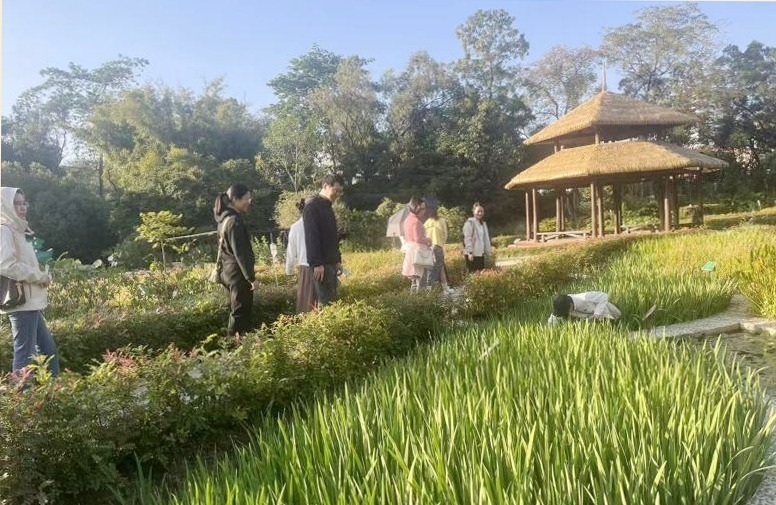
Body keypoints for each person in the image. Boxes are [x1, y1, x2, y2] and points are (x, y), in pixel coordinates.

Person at [0, 187, 59, 376]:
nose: (22, 207)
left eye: (24, 202)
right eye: (16, 203)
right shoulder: (4, 230)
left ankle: (54, 392)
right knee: (25, 356)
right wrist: (39, 276)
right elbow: (6, 265)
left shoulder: (18, 231)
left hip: (30, 303)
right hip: (21, 303)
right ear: (5, 205)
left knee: (48, 352)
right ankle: (23, 394)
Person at [213, 184, 258, 338]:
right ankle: (234, 345)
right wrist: (251, 278)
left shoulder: (224, 220)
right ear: (235, 199)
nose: (249, 201)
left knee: (236, 310)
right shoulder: (234, 222)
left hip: (228, 272)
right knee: (240, 313)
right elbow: (241, 253)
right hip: (238, 275)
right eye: (246, 198)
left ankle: (238, 343)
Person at [303, 174, 345, 307]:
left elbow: (332, 237)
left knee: (333, 302)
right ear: (325, 186)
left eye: (340, 192)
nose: (337, 194)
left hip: (331, 263)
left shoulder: (328, 206)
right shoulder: (312, 206)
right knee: (326, 303)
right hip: (321, 265)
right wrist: (317, 264)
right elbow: (312, 237)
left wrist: (337, 260)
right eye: (335, 190)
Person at [285, 197, 317, 313]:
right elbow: (291, 251)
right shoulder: (316, 224)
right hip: (316, 267)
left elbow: (291, 252)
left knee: (306, 303)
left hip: (305, 269)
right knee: (319, 302)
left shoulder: (295, 227)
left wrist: (289, 271)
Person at [422, 197, 452, 292]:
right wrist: (442, 244)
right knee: (437, 268)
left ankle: (445, 288)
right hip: (438, 247)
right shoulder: (441, 220)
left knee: (438, 268)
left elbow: (424, 237)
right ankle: (430, 289)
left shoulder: (426, 223)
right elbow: (445, 234)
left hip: (429, 248)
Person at [402, 197, 432, 292]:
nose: (424, 211)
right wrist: (428, 240)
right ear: (417, 208)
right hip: (418, 251)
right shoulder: (416, 222)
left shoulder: (407, 220)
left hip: (410, 250)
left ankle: (414, 298)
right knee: (421, 277)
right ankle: (421, 298)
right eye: (422, 208)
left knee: (414, 279)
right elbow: (418, 238)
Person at [547, 292, 622, 325]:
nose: (565, 313)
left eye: (565, 311)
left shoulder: (585, 297)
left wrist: (597, 314)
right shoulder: (562, 304)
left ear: (571, 305)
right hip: (587, 318)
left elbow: (604, 296)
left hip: (605, 313)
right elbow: (554, 317)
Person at [462, 202, 492, 273]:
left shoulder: (483, 224)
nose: (480, 213)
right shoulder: (469, 223)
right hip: (472, 254)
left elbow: (485, 239)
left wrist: (487, 251)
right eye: (478, 211)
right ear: (473, 212)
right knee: (473, 274)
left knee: (481, 274)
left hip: (480, 253)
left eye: (482, 211)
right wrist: (469, 252)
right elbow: (467, 238)